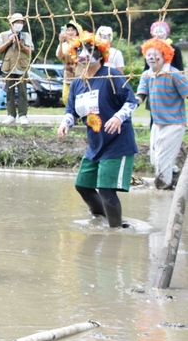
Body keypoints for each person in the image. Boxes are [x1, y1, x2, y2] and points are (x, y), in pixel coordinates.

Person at [57, 32, 138, 229]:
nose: (84, 54)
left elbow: (131, 101)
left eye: (89, 50)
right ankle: (101, 220)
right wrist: (65, 122)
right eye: (79, 50)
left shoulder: (112, 75)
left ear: (101, 54)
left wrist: (119, 117)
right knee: (82, 185)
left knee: (106, 190)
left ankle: (116, 231)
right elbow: (72, 111)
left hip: (117, 144)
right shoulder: (77, 83)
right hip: (95, 144)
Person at [136, 38, 188, 189]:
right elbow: (141, 95)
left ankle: (162, 192)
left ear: (164, 55)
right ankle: (176, 176)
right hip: (157, 124)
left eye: (155, 54)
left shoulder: (175, 75)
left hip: (174, 124)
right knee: (155, 160)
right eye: (148, 54)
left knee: (163, 163)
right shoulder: (147, 75)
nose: (151, 57)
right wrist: (132, 103)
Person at [0, 12, 34, 124]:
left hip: (21, 67)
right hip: (8, 67)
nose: (19, 24)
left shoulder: (26, 35)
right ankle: (11, 115)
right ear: (11, 23)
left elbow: (30, 51)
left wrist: (21, 45)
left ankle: (23, 115)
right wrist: (8, 42)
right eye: (17, 22)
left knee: (23, 92)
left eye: (21, 22)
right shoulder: (2, 35)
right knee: (9, 92)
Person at [56, 20, 83, 106]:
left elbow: (76, 52)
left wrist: (68, 40)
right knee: (66, 98)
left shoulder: (81, 43)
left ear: (77, 32)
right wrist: (61, 42)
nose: (70, 32)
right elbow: (59, 57)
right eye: (68, 30)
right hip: (67, 76)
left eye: (73, 30)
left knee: (78, 97)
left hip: (79, 75)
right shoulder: (63, 45)